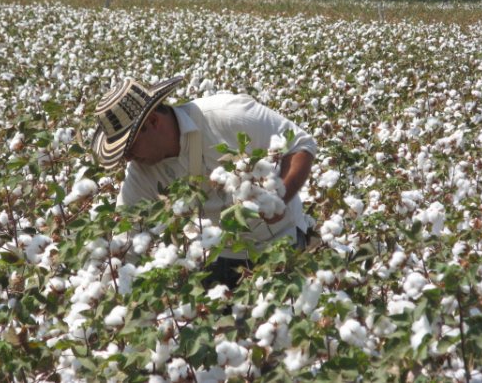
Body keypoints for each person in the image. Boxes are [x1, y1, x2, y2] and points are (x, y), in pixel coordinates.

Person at [91, 76, 317, 288]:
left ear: (153, 121)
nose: (127, 158)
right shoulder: (141, 172)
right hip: (217, 256)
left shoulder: (227, 115)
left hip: (279, 243)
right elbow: (126, 236)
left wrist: (278, 199)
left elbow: (300, 145)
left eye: (129, 146)